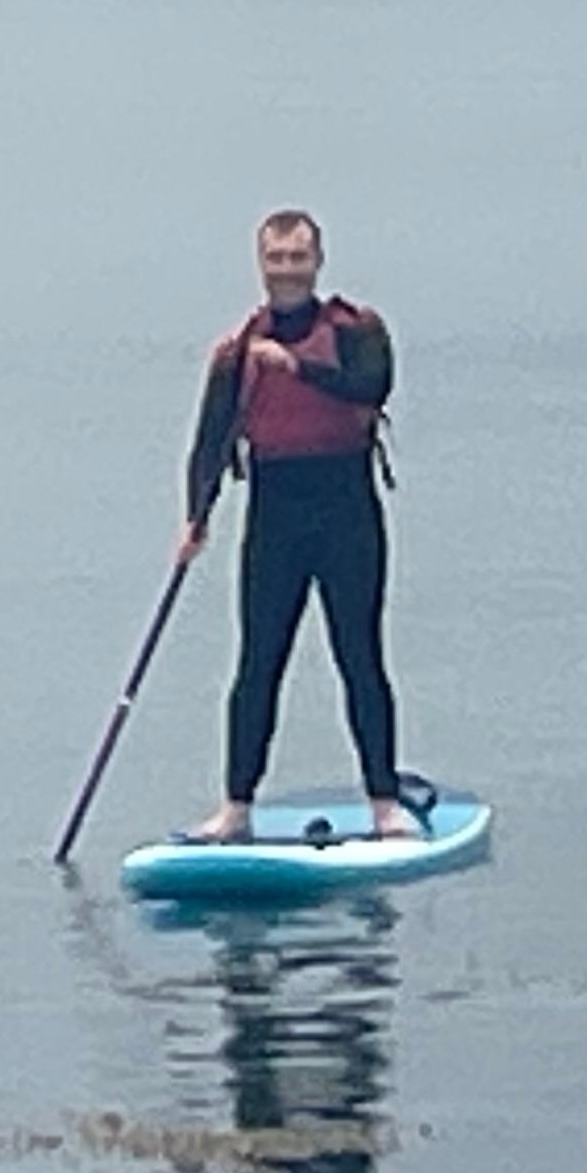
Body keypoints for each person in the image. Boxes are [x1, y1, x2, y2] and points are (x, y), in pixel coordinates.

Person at [180, 209, 409, 843]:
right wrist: (196, 518)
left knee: (359, 655)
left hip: (346, 506)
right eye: (277, 259)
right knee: (259, 661)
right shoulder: (238, 352)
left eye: (298, 258)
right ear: (262, 264)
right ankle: (236, 808)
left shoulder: (357, 330)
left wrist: (296, 367)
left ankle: (384, 802)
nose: (287, 270)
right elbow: (210, 440)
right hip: (274, 511)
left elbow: (372, 385)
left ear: (317, 261)